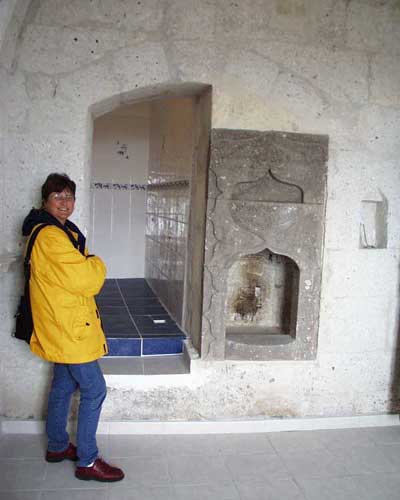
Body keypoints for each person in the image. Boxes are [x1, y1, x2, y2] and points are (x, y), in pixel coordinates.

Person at [22, 173, 124, 482]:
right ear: (45, 201)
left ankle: (57, 446)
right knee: (94, 389)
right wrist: (96, 261)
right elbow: (88, 280)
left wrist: (85, 261)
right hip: (68, 327)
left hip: (60, 322)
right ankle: (87, 461)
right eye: (58, 197)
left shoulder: (59, 231)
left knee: (64, 385)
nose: (65, 202)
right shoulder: (51, 237)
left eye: (69, 196)